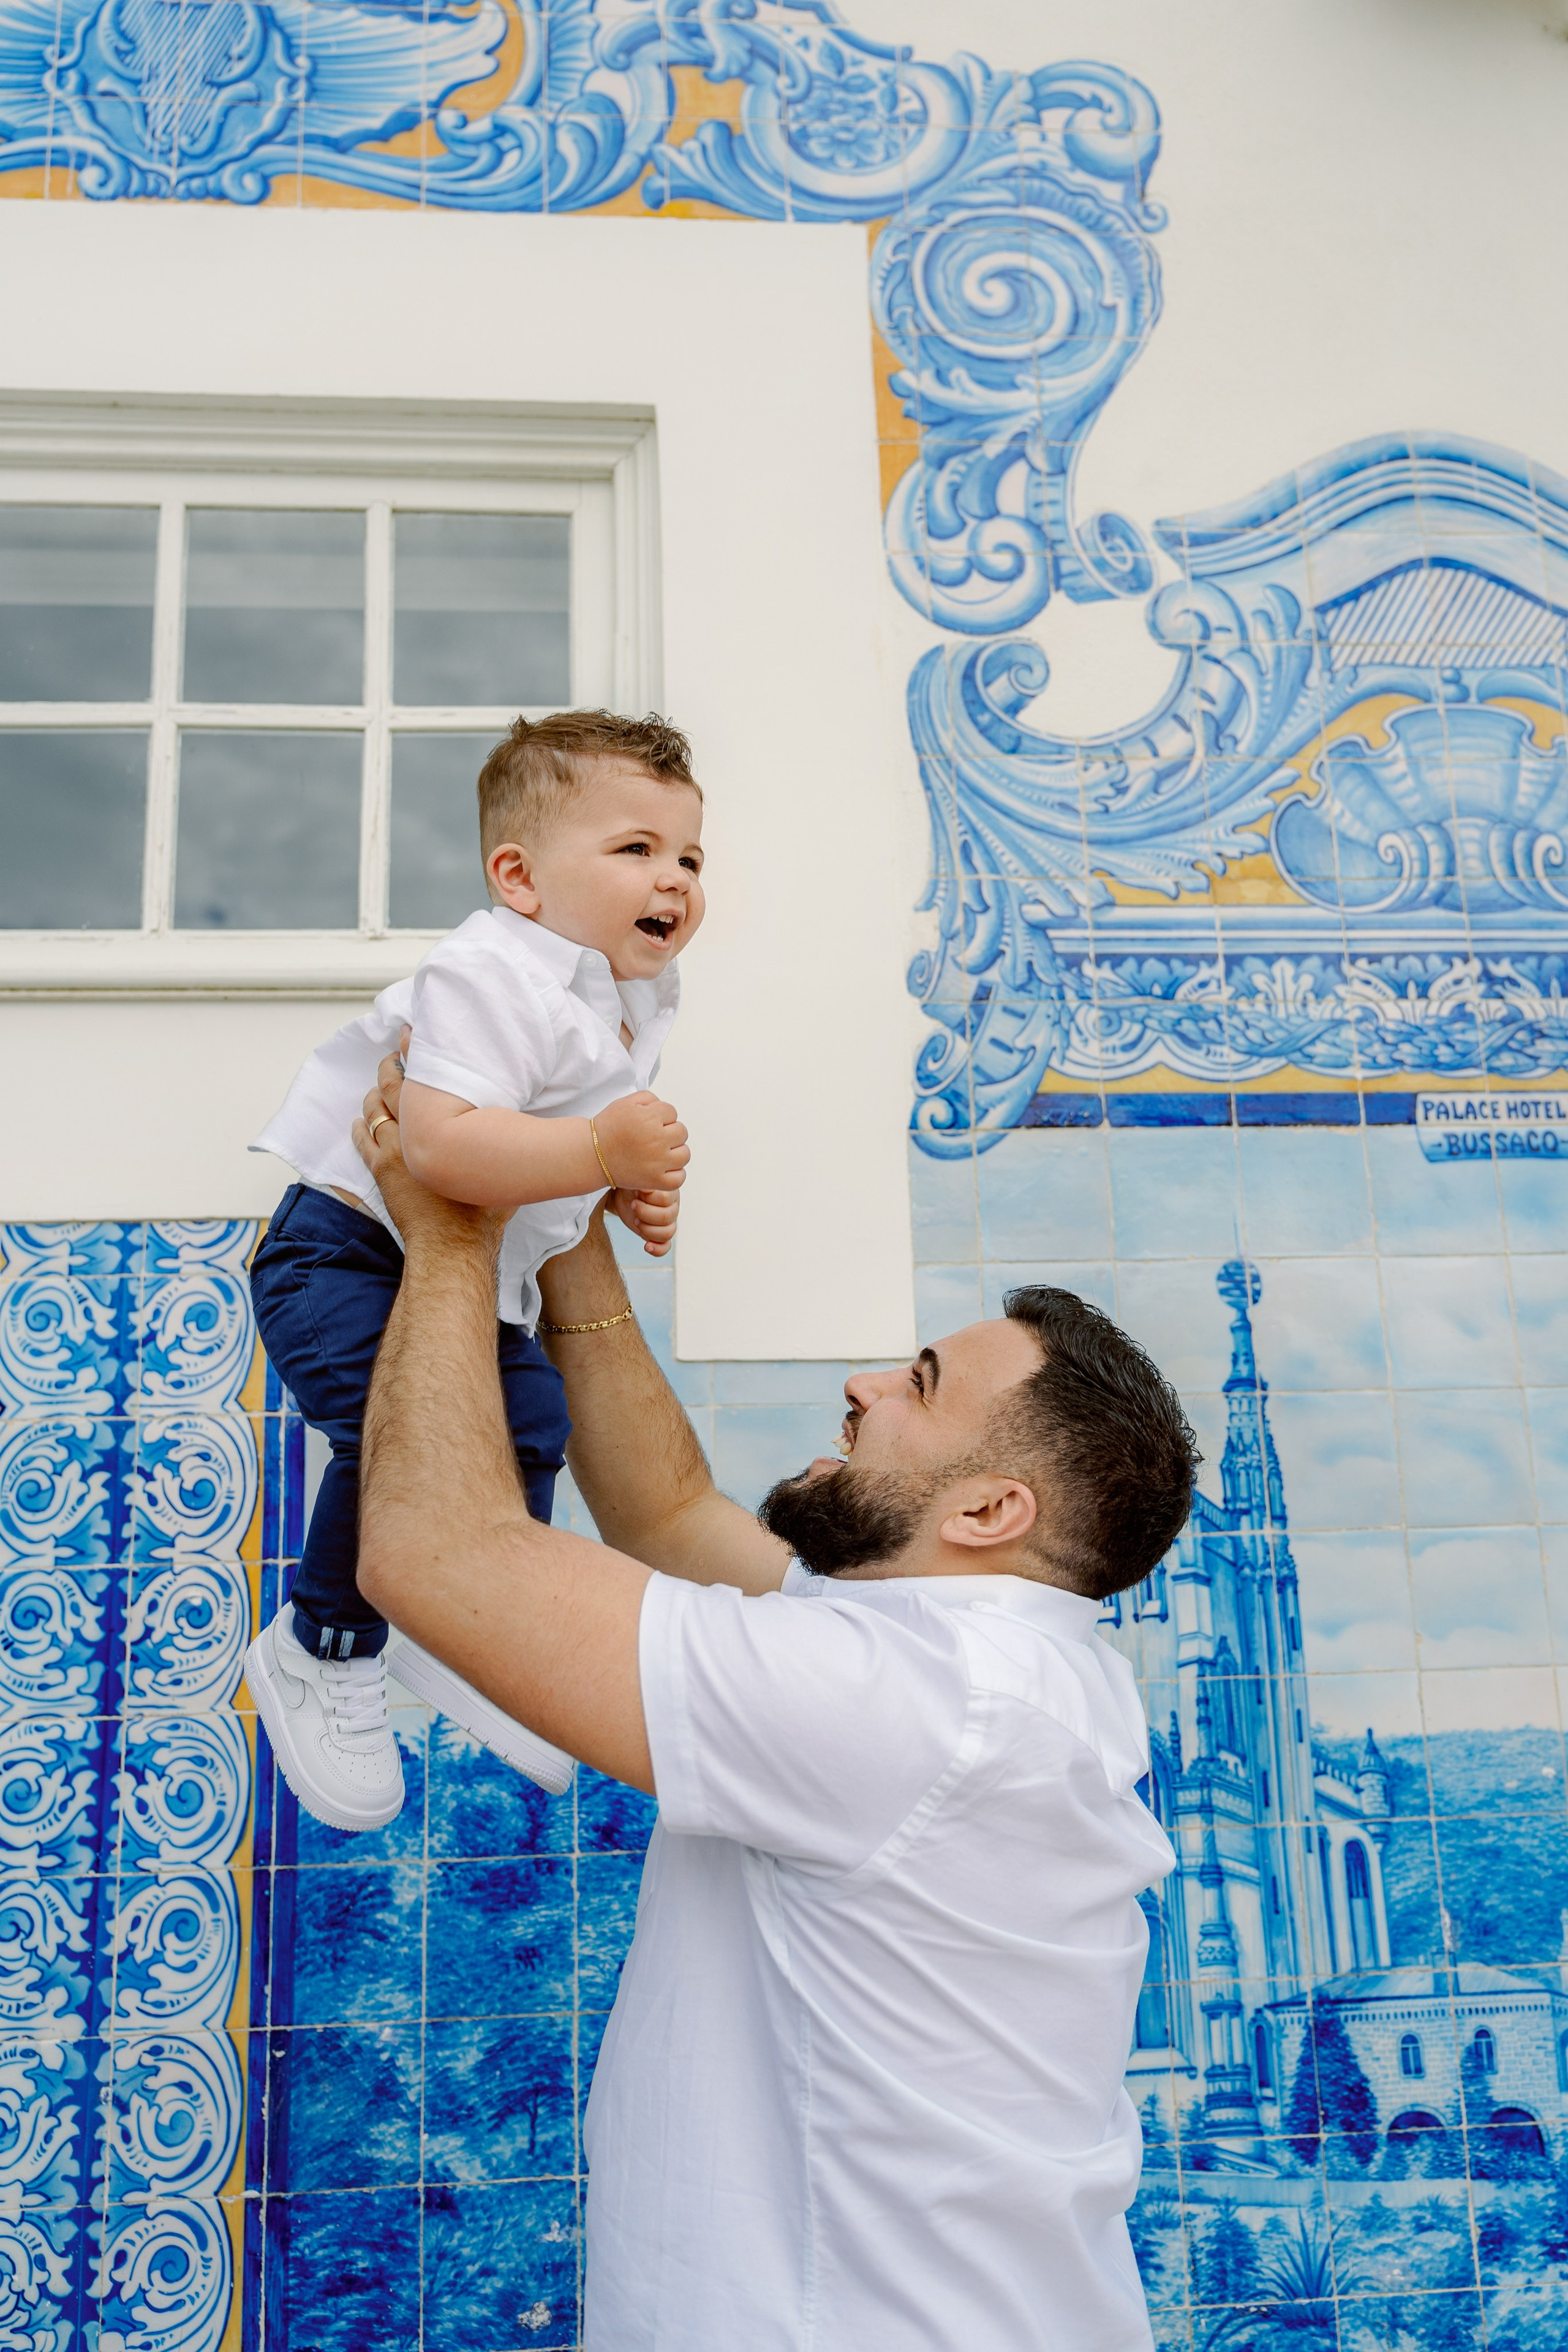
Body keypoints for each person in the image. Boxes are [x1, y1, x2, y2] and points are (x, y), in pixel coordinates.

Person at [349, 1061, 1198, 2352]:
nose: (863, 1383)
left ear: (985, 1513)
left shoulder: (908, 1707)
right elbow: (668, 1518)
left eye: (916, 1383)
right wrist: (563, 1219)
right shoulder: (1001, 1667)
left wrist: (453, 1223)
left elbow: (430, 1552)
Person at [243, 709, 703, 1832]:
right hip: (345, 1258)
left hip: (471, 1286)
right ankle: (321, 1644)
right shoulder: (488, 968)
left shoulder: (631, 1001)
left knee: (530, 1419)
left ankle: (472, 1624)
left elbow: (545, 1138)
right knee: (401, 1438)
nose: (677, 880)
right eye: (636, 849)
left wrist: (618, 1185)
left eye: (692, 857)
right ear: (520, 877)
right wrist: (600, 1148)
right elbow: (439, 1145)